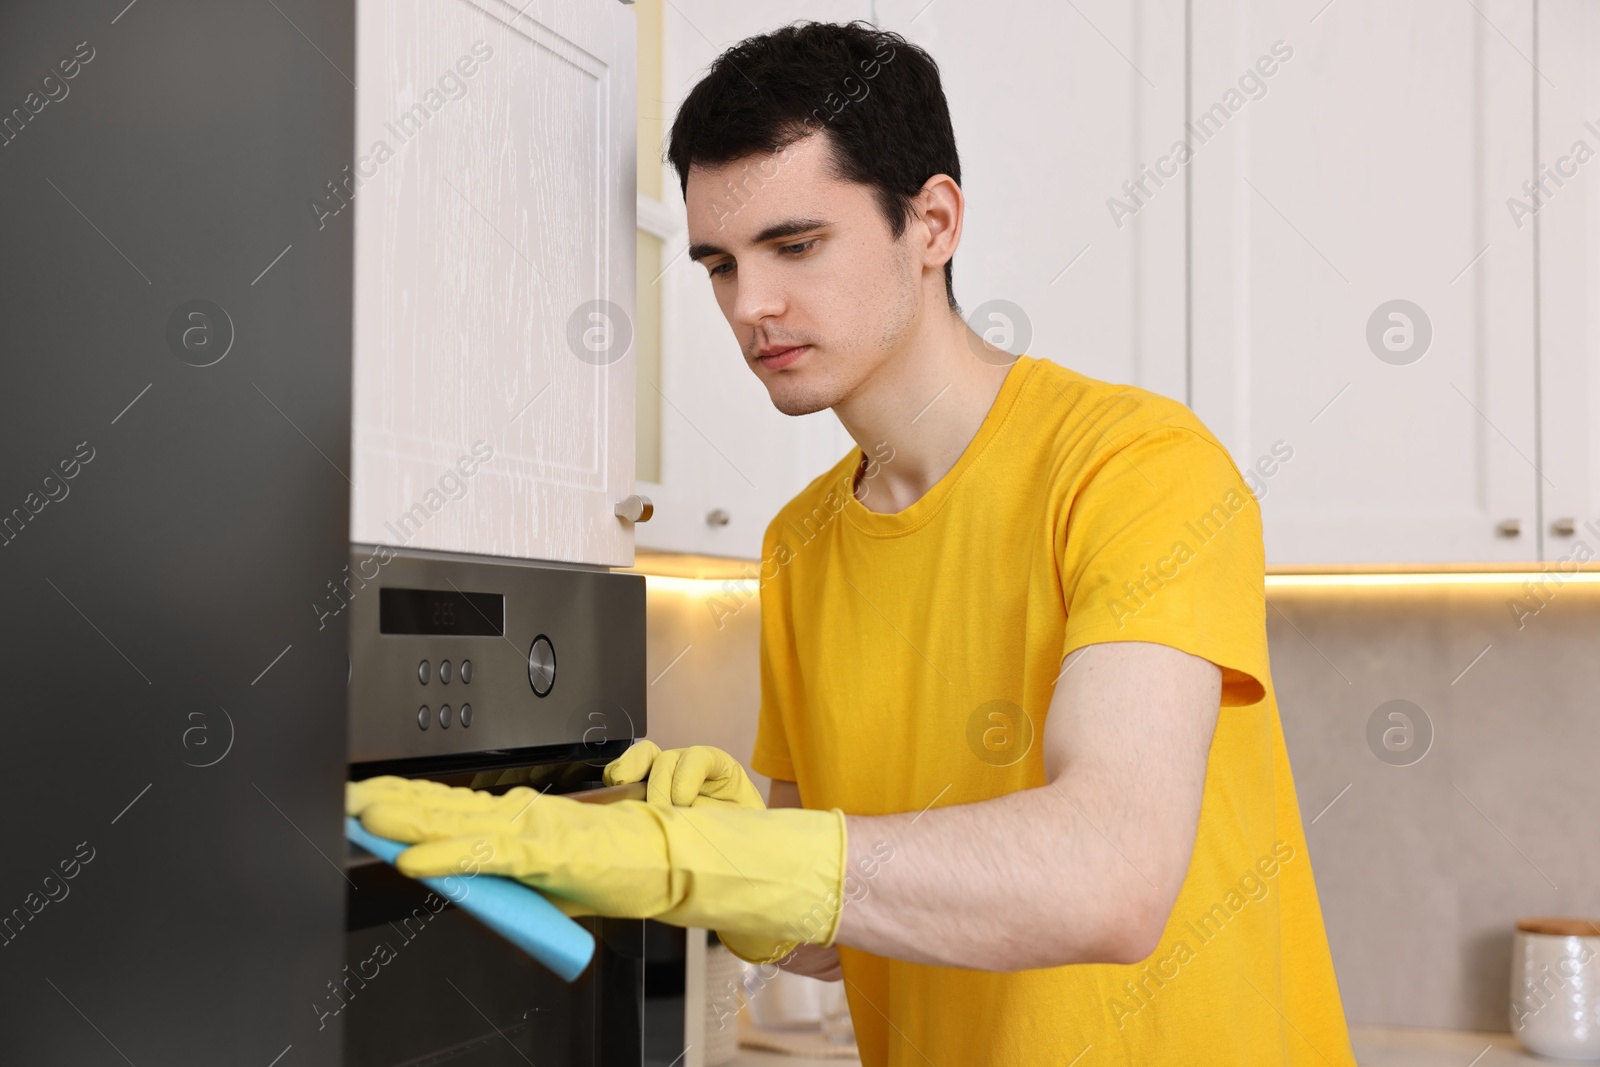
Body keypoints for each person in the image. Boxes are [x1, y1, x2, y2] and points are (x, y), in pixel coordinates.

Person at [345, 19, 1358, 1066]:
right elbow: (837, 933)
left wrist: (693, 854)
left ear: (931, 223)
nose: (751, 305)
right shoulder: (801, 545)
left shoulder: (1136, 466)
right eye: (718, 264)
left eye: (794, 245)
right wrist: (742, 863)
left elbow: (1109, 878)